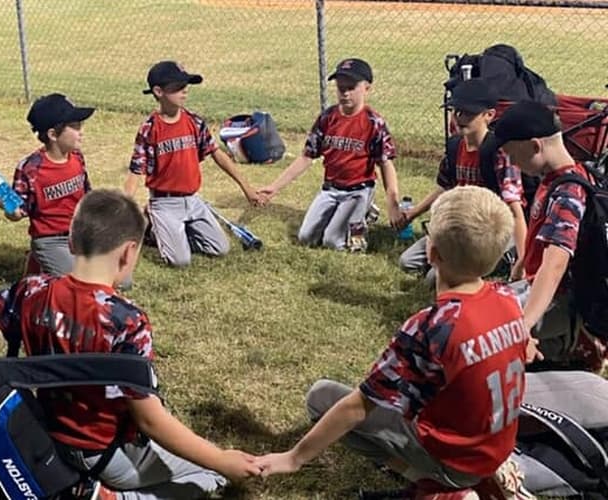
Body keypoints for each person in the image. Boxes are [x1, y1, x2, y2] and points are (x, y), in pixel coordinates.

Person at [0, 189, 260, 498]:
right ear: (128, 253)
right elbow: (151, 422)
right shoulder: (128, 321)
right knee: (209, 473)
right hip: (104, 452)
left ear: (72, 242)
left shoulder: (32, 291)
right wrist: (222, 459)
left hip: (46, 435)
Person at [256, 186, 535, 499]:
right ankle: (484, 477)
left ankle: (442, 490)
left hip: (455, 461)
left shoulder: (433, 326)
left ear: (432, 253)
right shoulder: (510, 299)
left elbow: (358, 406)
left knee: (321, 397)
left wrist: (293, 459)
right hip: (495, 447)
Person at [490, 100, 607, 372]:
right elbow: (540, 234)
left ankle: (577, 342)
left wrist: (525, 324)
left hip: (563, 297)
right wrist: (521, 263)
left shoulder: (568, 194)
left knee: (491, 330)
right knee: (486, 303)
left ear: (534, 146)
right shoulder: (563, 174)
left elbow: (555, 265)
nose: (512, 162)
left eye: (512, 154)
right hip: (540, 284)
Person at [124, 60, 265, 268]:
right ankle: (151, 229)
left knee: (219, 249)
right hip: (165, 203)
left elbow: (217, 154)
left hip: (193, 200)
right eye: (178, 86)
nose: (185, 90)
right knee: (180, 261)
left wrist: (247, 188)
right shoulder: (149, 129)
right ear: (158, 91)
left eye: (186, 85)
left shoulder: (194, 122)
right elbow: (136, 171)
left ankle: (178, 232)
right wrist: (122, 209)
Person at [259, 58, 402, 252]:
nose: (345, 92)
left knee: (333, 242)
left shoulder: (373, 123)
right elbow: (307, 157)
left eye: (351, 87)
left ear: (367, 87)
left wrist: (392, 201)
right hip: (331, 189)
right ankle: (351, 216)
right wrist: (275, 187)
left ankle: (361, 221)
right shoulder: (328, 118)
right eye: (340, 87)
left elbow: (386, 164)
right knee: (306, 237)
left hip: (358, 190)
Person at [399, 79, 527, 283]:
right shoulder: (454, 146)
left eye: (468, 113)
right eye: (456, 111)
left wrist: (523, 260)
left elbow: (515, 212)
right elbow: (444, 188)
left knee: (434, 277)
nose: (459, 117)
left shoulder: (499, 153)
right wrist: (413, 214)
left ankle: (503, 256)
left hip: (490, 228)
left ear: (489, 115)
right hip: (460, 224)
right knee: (407, 261)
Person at [8, 93, 94, 277]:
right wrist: (7, 203)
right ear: (53, 134)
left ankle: (41, 265)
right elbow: (17, 212)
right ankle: (38, 263)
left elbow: (87, 195)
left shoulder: (77, 157)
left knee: (119, 277)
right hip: (50, 240)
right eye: (75, 127)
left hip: (79, 234)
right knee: (79, 282)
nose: (81, 132)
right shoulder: (31, 168)